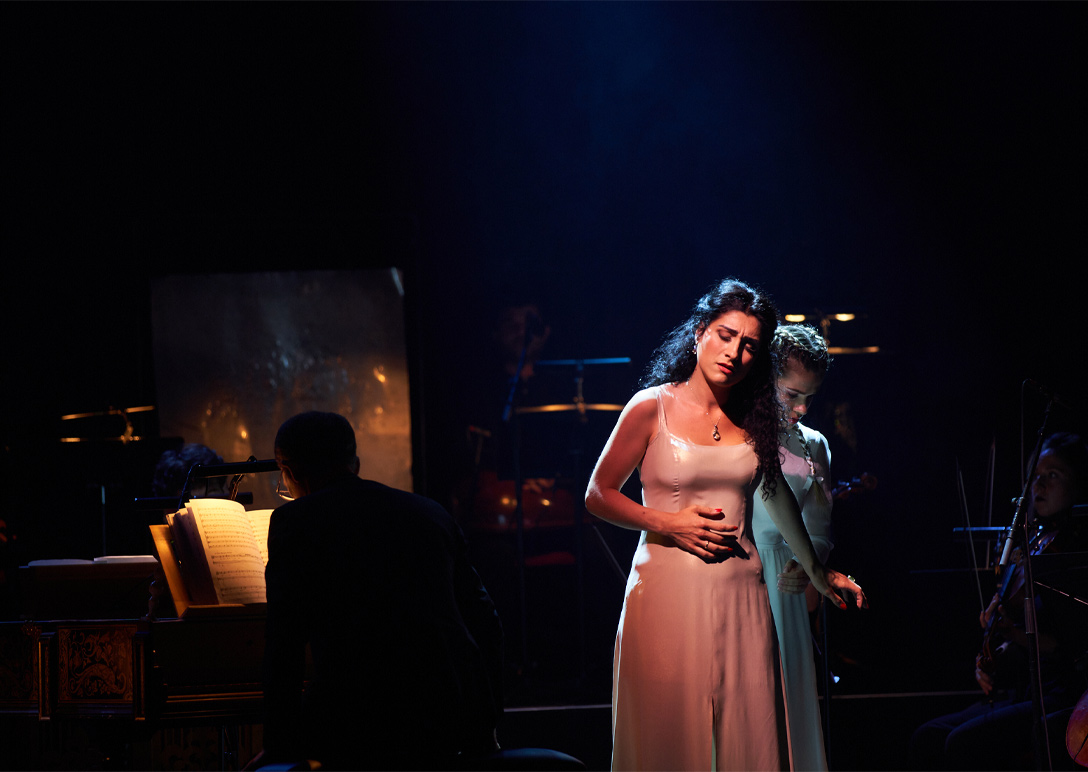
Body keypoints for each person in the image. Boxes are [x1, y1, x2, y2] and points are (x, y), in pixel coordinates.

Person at [585, 278, 866, 771]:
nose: (734, 352)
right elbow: (598, 494)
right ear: (698, 333)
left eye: (749, 344)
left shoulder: (753, 419)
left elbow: (776, 495)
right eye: (725, 334)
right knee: (666, 743)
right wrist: (669, 524)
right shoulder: (652, 405)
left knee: (749, 741)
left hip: (743, 599)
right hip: (666, 596)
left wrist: (820, 573)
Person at [258, 411, 504, 770]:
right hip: (452, 714)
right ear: (355, 463)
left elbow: (285, 644)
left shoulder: (294, 521)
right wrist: (486, 722)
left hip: (358, 721)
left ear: (290, 472)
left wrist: (279, 745)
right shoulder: (429, 512)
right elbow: (486, 621)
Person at [909, 431, 1088, 770]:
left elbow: (1070, 648)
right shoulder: (1033, 541)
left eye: (1053, 476)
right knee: (927, 736)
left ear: (1078, 483)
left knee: (962, 744)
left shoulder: (1074, 555)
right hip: (1021, 689)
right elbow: (1015, 642)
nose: (1039, 486)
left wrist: (1012, 633)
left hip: (1060, 693)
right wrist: (990, 657)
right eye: (1035, 477)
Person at [750, 323, 835, 772]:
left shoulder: (815, 443)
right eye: (790, 394)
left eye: (810, 398)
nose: (801, 407)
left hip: (787, 581)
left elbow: (820, 525)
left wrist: (810, 559)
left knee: (789, 703)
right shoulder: (740, 429)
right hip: (744, 572)